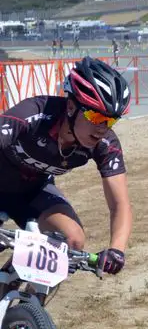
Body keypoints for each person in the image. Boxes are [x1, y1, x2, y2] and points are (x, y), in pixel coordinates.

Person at [0, 56, 133, 277]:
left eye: (110, 120)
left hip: (32, 192)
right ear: (71, 106)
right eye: (96, 116)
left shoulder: (105, 144)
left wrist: (117, 250)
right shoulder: (34, 114)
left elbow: (120, 205)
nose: (102, 128)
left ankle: (25, 302)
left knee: (72, 242)